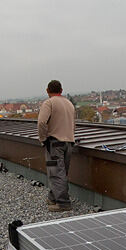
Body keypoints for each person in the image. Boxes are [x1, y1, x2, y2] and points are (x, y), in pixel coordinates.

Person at [37, 80, 76, 211]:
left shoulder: (49, 103)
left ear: (47, 90)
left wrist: (43, 139)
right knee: (62, 172)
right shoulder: (69, 103)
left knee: (55, 173)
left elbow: (42, 122)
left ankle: (63, 203)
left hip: (55, 143)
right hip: (69, 143)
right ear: (61, 90)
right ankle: (53, 197)